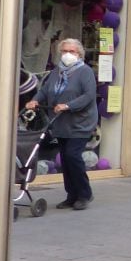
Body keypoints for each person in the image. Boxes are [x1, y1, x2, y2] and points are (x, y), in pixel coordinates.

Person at [25, 38, 97, 210]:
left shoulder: (85, 72)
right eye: (64, 51)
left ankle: (84, 194)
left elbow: (88, 96)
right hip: (61, 123)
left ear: (79, 54)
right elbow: (44, 90)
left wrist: (68, 105)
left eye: (71, 52)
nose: (67, 55)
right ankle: (71, 195)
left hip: (80, 123)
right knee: (65, 159)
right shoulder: (56, 71)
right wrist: (34, 101)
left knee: (73, 156)